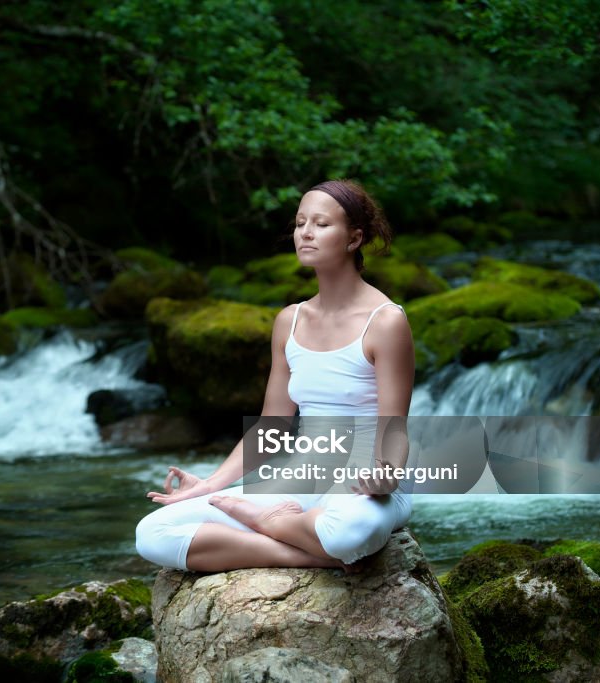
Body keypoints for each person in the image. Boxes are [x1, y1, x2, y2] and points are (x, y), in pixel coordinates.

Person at [135, 179, 415, 572]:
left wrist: (386, 475)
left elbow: (395, 427)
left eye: (321, 224)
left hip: (364, 486)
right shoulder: (290, 321)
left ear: (354, 239)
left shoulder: (385, 321)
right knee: (153, 533)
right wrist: (213, 483)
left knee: (346, 533)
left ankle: (275, 525)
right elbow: (274, 424)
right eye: (301, 223)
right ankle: (312, 555)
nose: (305, 233)